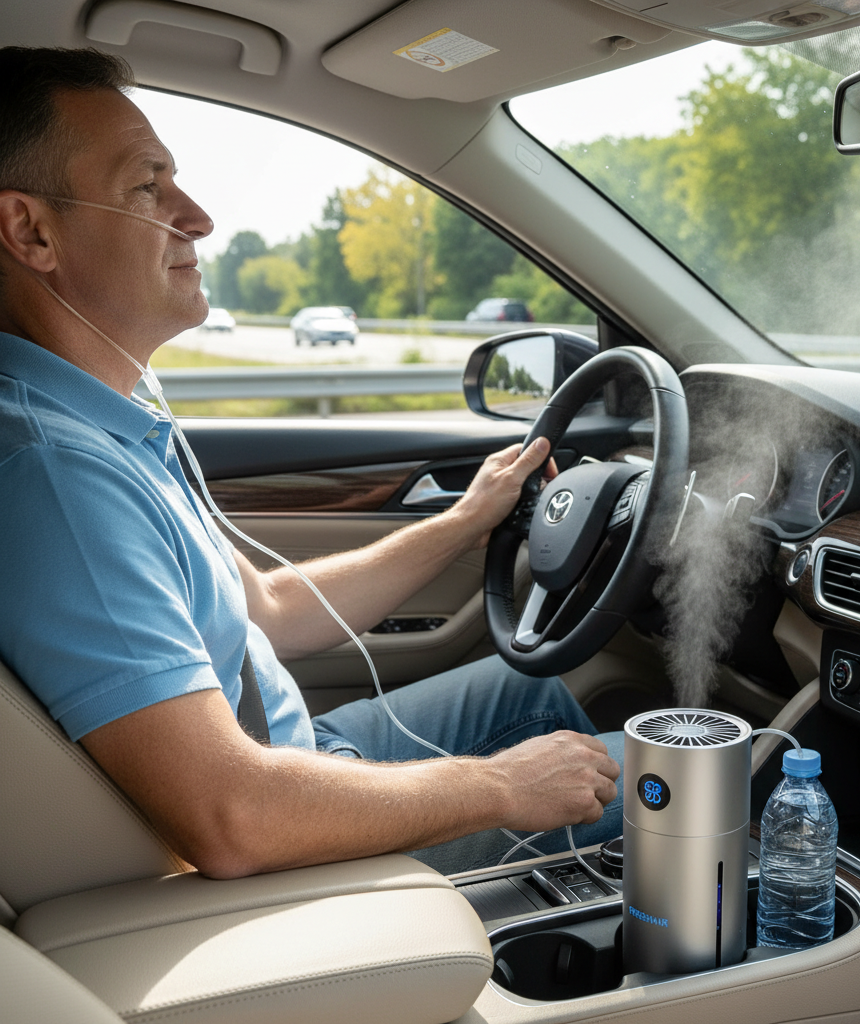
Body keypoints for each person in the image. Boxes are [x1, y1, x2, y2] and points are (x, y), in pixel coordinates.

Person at [0, 46, 623, 878]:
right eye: (148, 186)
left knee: (537, 702)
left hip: (299, 756)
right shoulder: (58, 479)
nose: (197, 217)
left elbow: (269, 609)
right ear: (31, 231)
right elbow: (232, 817)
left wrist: (463, 524)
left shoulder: (98, 429)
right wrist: (501, 787)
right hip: (279, 833)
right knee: (691, 775)